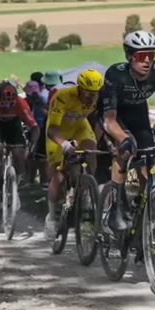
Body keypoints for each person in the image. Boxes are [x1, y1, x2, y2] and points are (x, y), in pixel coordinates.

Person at [100, 31, 155, 232]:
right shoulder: (116, 74)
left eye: (152, 54)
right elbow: (109, 120)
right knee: (125, 149)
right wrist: (123, 138)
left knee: (147, 158)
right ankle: (117, 205)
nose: (147, 60)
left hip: (138, 111)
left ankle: (142, 208)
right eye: (141, 56)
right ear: (130, 56)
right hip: (114, 114)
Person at [43, 69, 104, 240]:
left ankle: (85, 189)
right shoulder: (63, 96)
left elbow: (101, 119)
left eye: (95, 94)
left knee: (91, 152)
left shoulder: (98, 96)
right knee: (59, 176)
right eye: (87, 93)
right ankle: (52, 216)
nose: (91, 98)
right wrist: (63, 143)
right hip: (58, 131)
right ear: (79, 88)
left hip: (79, 127)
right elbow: (52, 129)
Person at [0, 80, 39, 206]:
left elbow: (34, 126)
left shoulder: (21, 103)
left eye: (11, 103)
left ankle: (15, 191)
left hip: (13, 126)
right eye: (4, 103)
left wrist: (32, 143)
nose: (7, 106)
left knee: (19, 155)